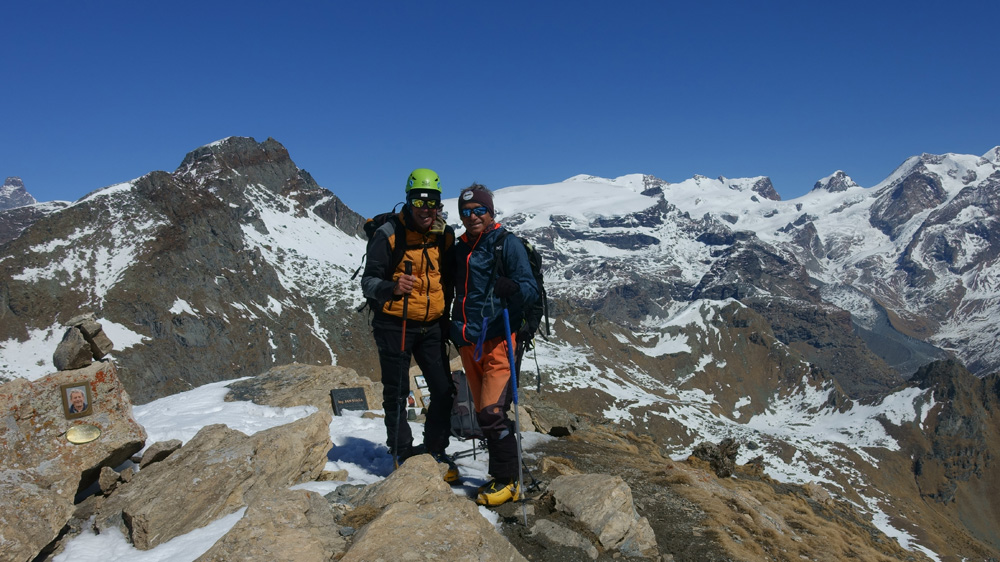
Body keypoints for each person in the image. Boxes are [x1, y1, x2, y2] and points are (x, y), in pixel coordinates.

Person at [361, 168, 459, 482]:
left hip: (432, 326)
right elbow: (368, 282)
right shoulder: (388, 234)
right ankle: (401, 452)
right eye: (419, 201)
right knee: (397, 392)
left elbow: (449, 277)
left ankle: (436, 451)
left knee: (443, 390)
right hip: (395, 323)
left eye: (433, 203)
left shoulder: (444, 235)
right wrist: (392, 287)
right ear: (408, 200)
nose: (426, 209)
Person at [450, 183, 538, 506]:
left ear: (490, 212)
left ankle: (509, 481)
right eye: (466, 212)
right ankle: (504, 473)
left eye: (479, 210)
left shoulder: (506, 244)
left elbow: (530, 289)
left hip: (500, 338)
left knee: (491, 411)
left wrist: (513, 287)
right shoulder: (459, 248)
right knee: (484, 411)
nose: (472, 216)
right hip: (468, 341)